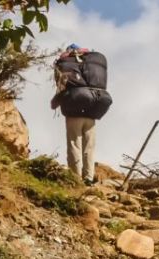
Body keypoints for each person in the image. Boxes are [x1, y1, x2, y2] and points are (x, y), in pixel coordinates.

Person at [50, 44, 112, 184]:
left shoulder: (66, 64)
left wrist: (55, 103)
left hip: (74, 110)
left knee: (74, 143)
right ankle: (88, 177)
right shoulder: (92, 64)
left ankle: (75, 177)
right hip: (94, 108)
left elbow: (62, 89)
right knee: (89, 146)